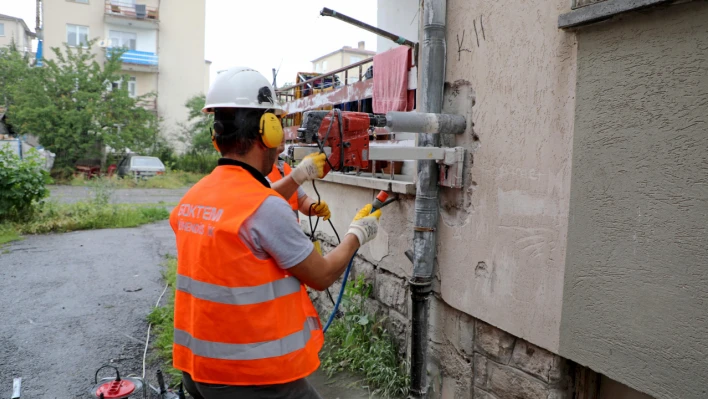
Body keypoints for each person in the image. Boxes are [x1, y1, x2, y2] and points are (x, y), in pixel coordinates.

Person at [169, 66, 382, 399]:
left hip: (197, 368)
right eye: (278, 127)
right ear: (267, 132)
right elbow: (322, 275)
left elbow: (253, 207)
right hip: (250, 375)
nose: (280, 143)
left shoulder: (194, 197)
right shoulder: (263, 207)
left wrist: (297, 176)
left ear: (216, 136)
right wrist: (357, 232)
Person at [267, 138, 330, 222]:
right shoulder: (256, 171)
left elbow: (302, 201)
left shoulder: (286, 168)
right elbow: (267, 197)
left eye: (281, 128)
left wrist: (314, 206)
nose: (281, 135)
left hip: (290, 232)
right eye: (274, 129)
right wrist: (300, 174)